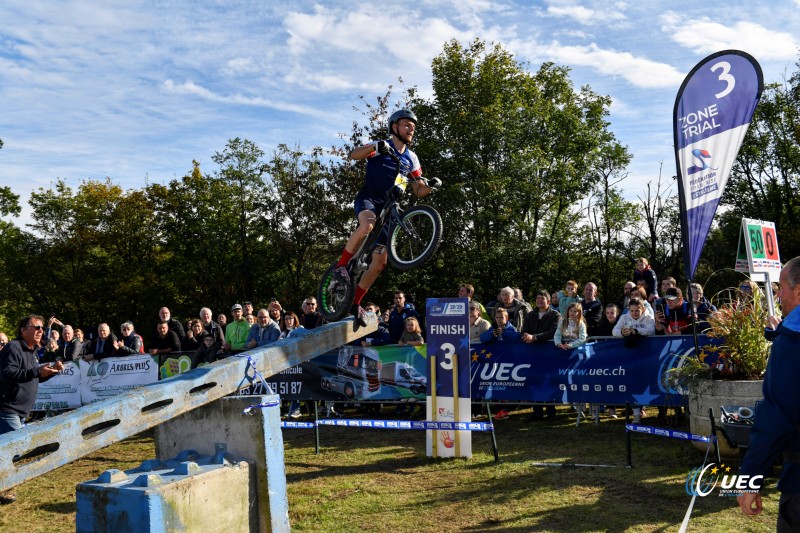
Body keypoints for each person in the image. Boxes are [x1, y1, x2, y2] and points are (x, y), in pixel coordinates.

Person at [330, 109, 438, 330]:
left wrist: (430, 186)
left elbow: (418, 190)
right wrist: (374, 147)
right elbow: (354, 154)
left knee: (380, 262)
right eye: (407, 125)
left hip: (391, 208)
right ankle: (341, 267)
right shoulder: (383, 145)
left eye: (413, 127)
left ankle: (355, 303)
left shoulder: (412, 157)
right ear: (394, 126)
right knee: (367, 224)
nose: (411, 130)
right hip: (370, 198)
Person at [738, 256, 800, 528]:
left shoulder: (792, 343)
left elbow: (778, 415)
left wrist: (749, 480)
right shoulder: (789, 337)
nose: (777, 295)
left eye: (780, 288)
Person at [1, 314, 64, 505]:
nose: (40, 331)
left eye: (42, 328)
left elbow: (31, 377)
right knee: (14, 451)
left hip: (19, 411)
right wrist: (37, 371)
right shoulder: (13, 347)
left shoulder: (32, 351)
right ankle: (4, 489)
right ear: (23, 329)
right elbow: (7, 373)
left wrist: (50, 371)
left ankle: (4, 487)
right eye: (36, 327)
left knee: (11, 450)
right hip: (7, 408)